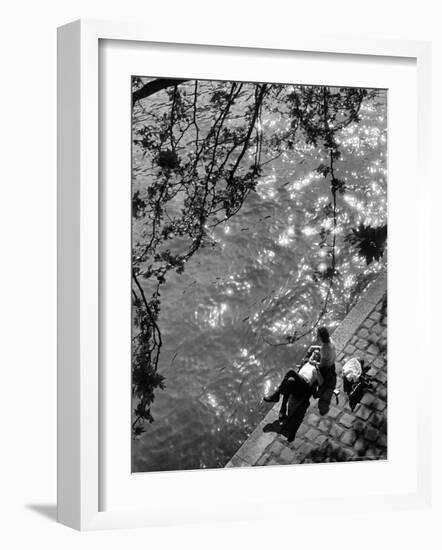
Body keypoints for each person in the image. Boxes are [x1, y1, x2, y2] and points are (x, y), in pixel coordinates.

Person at [264, 326, 336, 421]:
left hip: (305, 385)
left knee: (290, 372)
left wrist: (313, 362)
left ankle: (277, 395)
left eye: (317, 335)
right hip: (299, 381)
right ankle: (282, 408)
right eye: (315, 354)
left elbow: (321, 374)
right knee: (289, 381)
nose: (315, 354)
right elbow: (320, 353)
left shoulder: (316, 368)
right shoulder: (326, 345)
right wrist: (310, 357)